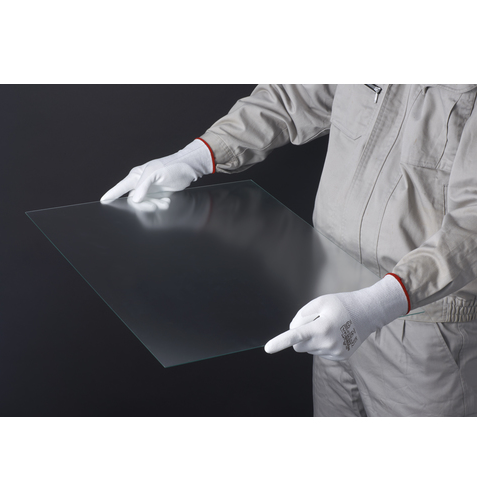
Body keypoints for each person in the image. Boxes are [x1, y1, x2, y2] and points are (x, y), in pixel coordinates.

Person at [101, 85, 477, 417]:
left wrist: (375, 305)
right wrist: (196, 156)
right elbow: (292, 95)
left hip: (427, 332)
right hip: (330, 305)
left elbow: (471, 227)